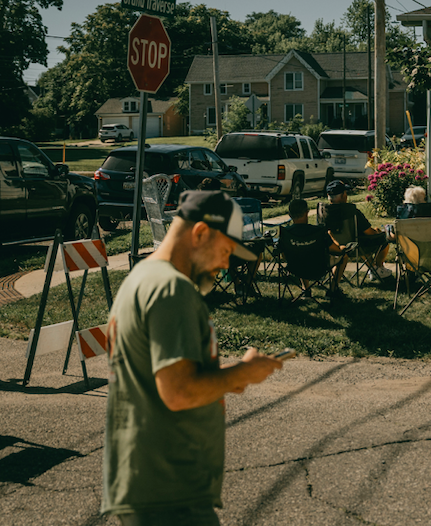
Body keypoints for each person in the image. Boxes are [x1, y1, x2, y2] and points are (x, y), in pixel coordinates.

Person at [102, 190, 284, 524]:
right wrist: (243, 373)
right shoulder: (173, 289)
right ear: (200, 233)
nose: (227, 264)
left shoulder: (140, 278)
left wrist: (227, 379)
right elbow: (179, 391)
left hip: (150, 486)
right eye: (226, 250)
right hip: (169, 493)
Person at [324, 180, 392, 283]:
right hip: (353, 247)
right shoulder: (352, 212)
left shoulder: (323, 211)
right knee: (382, 238)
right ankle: (378, 268)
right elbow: (369, 232)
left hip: (331, 248)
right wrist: (378, 232)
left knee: (360, 239)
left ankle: (373, 268)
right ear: (343, 195)